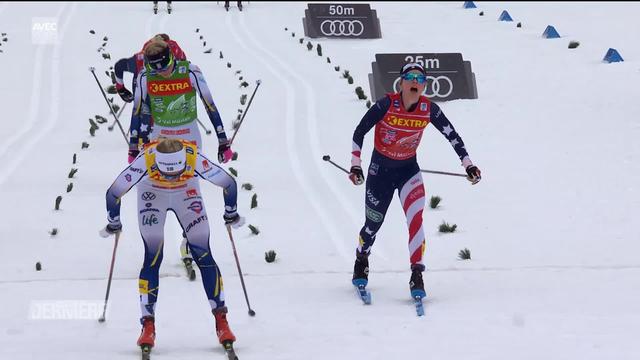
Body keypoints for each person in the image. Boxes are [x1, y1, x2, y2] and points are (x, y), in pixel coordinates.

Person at [348, 62, 482, 298]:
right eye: (410, 77)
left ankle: (417, 273)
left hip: (408, 170)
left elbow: (452, 136)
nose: (415, 82)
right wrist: (356, 165)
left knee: (416, 221)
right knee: (372, 225)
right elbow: (360, 131)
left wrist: (468, 164)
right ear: (401, 82)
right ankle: (362, 257)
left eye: (421, 80)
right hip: (380, 172)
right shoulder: (386, 104)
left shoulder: (428, 109)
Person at [100, 137, 244, 353]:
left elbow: (228, 183)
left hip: (186, 194)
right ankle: (147, 325)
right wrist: (114, 222)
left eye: (175, 172)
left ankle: (221, 320)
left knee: (203, 253)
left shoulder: (193, 157)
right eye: (166, 172)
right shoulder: (145, 159)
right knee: (153, 255)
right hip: (152, 195)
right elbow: (114, 192)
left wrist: (230, 213)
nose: (170, 177)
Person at [113, 34, 194, 274]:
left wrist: (120, 88)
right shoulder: (146, 58)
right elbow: (120, 67)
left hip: (166, 111)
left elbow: (119, 66)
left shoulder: (169, 54)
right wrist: (122, 89)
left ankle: (187, 238)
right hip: (151, 108)